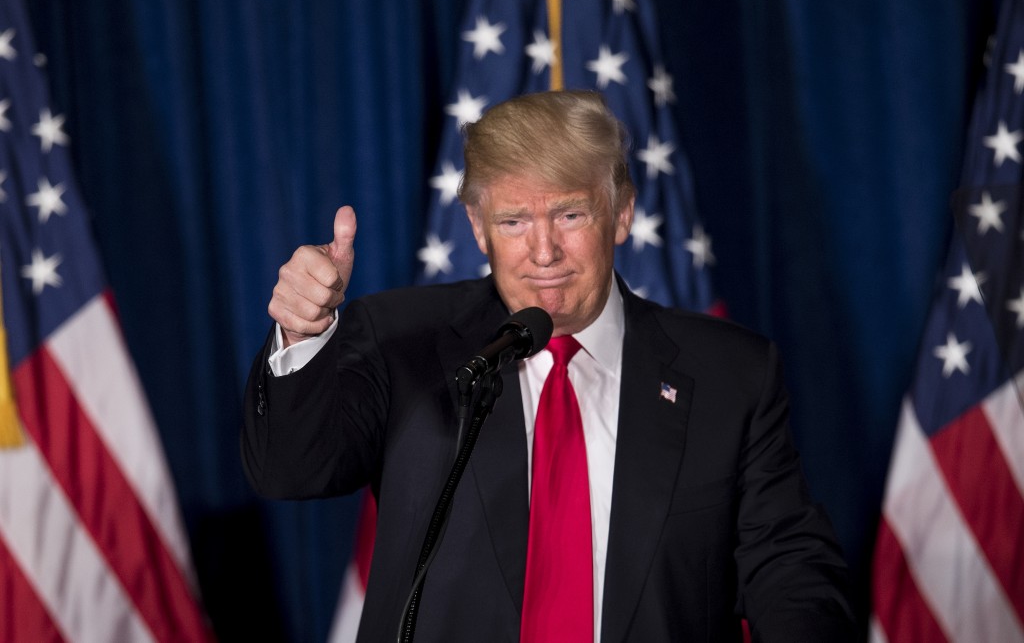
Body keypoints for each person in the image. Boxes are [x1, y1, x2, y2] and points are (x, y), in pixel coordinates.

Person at [242, 90, 856, 642]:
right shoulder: (404, 341)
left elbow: (789, 567)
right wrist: (303, 333)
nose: (544, 252)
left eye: (569, 215)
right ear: (478, 229)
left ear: (621, 213)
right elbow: (291, 472)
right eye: (513, 222)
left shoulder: (732, 374)